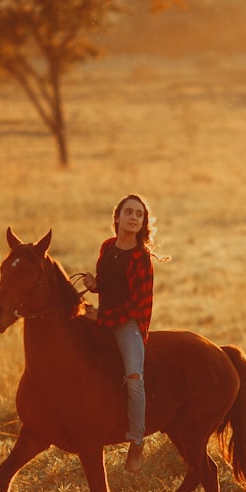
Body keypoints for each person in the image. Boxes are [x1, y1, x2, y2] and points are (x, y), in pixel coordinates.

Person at [82, 194, 158, 473]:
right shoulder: (107, 246)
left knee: (134, 377)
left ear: (143, 222)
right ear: (117, 217)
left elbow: (137, 304)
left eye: (139, 214)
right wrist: (94, 285)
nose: (134, 217)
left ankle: (136, 440)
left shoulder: (142, 257)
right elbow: (109, 283)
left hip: (127, 325)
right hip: (102, 316)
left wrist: (104, 318)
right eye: (129, 212)